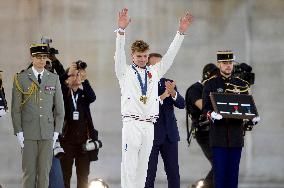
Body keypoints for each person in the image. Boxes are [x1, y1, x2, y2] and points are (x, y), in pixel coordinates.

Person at [114, 8, 193, 188]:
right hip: (132, 124)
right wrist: (121, 32)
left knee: (144, 171)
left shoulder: (154, 72)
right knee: (129, 168)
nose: (142, 59)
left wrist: (180, 33)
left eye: (145, 56)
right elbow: (118, 54)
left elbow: (170, 57)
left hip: (150, 125)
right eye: (138, 56)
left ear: (148, 56)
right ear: (132, 56)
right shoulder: (124, 72)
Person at [202, 50, 260, 188]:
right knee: (220, 177)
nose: (228, 66)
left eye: (230, 63)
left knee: (233, 176)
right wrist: (212, 114)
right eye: (225, 63)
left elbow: (247, 107)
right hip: (218, 137)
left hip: (236, 137)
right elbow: (205, 109)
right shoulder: (211, 84)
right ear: (219, 64)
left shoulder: (242, 84)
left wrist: (253, 117)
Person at [11, 43, 65, 188]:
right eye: (38, 57)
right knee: (29, 174)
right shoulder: (21, 78)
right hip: (28, 132)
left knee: (44, 175)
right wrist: (19, 132)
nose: (42, 60)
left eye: (44, 57)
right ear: (32, 58)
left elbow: (60, 109)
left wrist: (56, 132)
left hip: (48, 133)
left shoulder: (53, 78)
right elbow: (15, 108)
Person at [145, 53, 185, 188]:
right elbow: (145, 107)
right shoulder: (143, 84)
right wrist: (163, 96)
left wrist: (173, 93)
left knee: (173, 173)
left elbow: (181, 104)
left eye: (160, 64)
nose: (159, 67)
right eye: (155, 65)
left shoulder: (168, 82)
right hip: (151, 136)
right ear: (148, 67)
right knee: (149, 175)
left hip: (170, 135)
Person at [59, 62, 100, 188]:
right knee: (65, 175)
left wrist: (84, 79)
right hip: (66, 142)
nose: (76, 77)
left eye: (78, 75)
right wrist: (67, 73)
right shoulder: (63, 94)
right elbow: (59, 85)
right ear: (67, 80)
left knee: (83, 176)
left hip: (84, 142)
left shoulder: (83, 96)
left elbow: (92, 97)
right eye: (73, 75)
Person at [185, 63, 219, 188]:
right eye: (214, 78)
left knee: (223, 163)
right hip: (203, 132)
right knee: (219, 163)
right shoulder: (195, 89)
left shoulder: (214, 89)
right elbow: (204, 107)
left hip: (215, 131)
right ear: (207, 77)